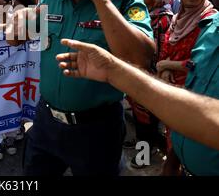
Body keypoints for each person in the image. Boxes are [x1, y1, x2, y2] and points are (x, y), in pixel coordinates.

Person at [7, 0, 155, 176]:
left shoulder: (125, 0)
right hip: (46, 123)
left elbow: (140, 57)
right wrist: (19, 17)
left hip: (97, 130)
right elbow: (14, 39)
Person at [56, 37, 219, 175]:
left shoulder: (165, 18)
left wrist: (167, 66)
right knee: (141, 126)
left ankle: (144, 158)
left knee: (147, 129)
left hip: (161, 87)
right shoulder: (205, 28)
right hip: (155, 84)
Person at [156, 0, 217, 173]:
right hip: (172, 94)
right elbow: (166, 49)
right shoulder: (177, 18)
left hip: (196, 96)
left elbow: (200, 63)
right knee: (174, 147)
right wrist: (164, 72)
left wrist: (166, 66)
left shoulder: (210, 21)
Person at [126, 0, 173, 167]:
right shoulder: (141, 14)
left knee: (147, 122)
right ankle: (142, 146)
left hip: (150, 78)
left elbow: (160, 54)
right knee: (140, 119)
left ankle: (144, 156)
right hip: (138, 74)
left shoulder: (162, 19)